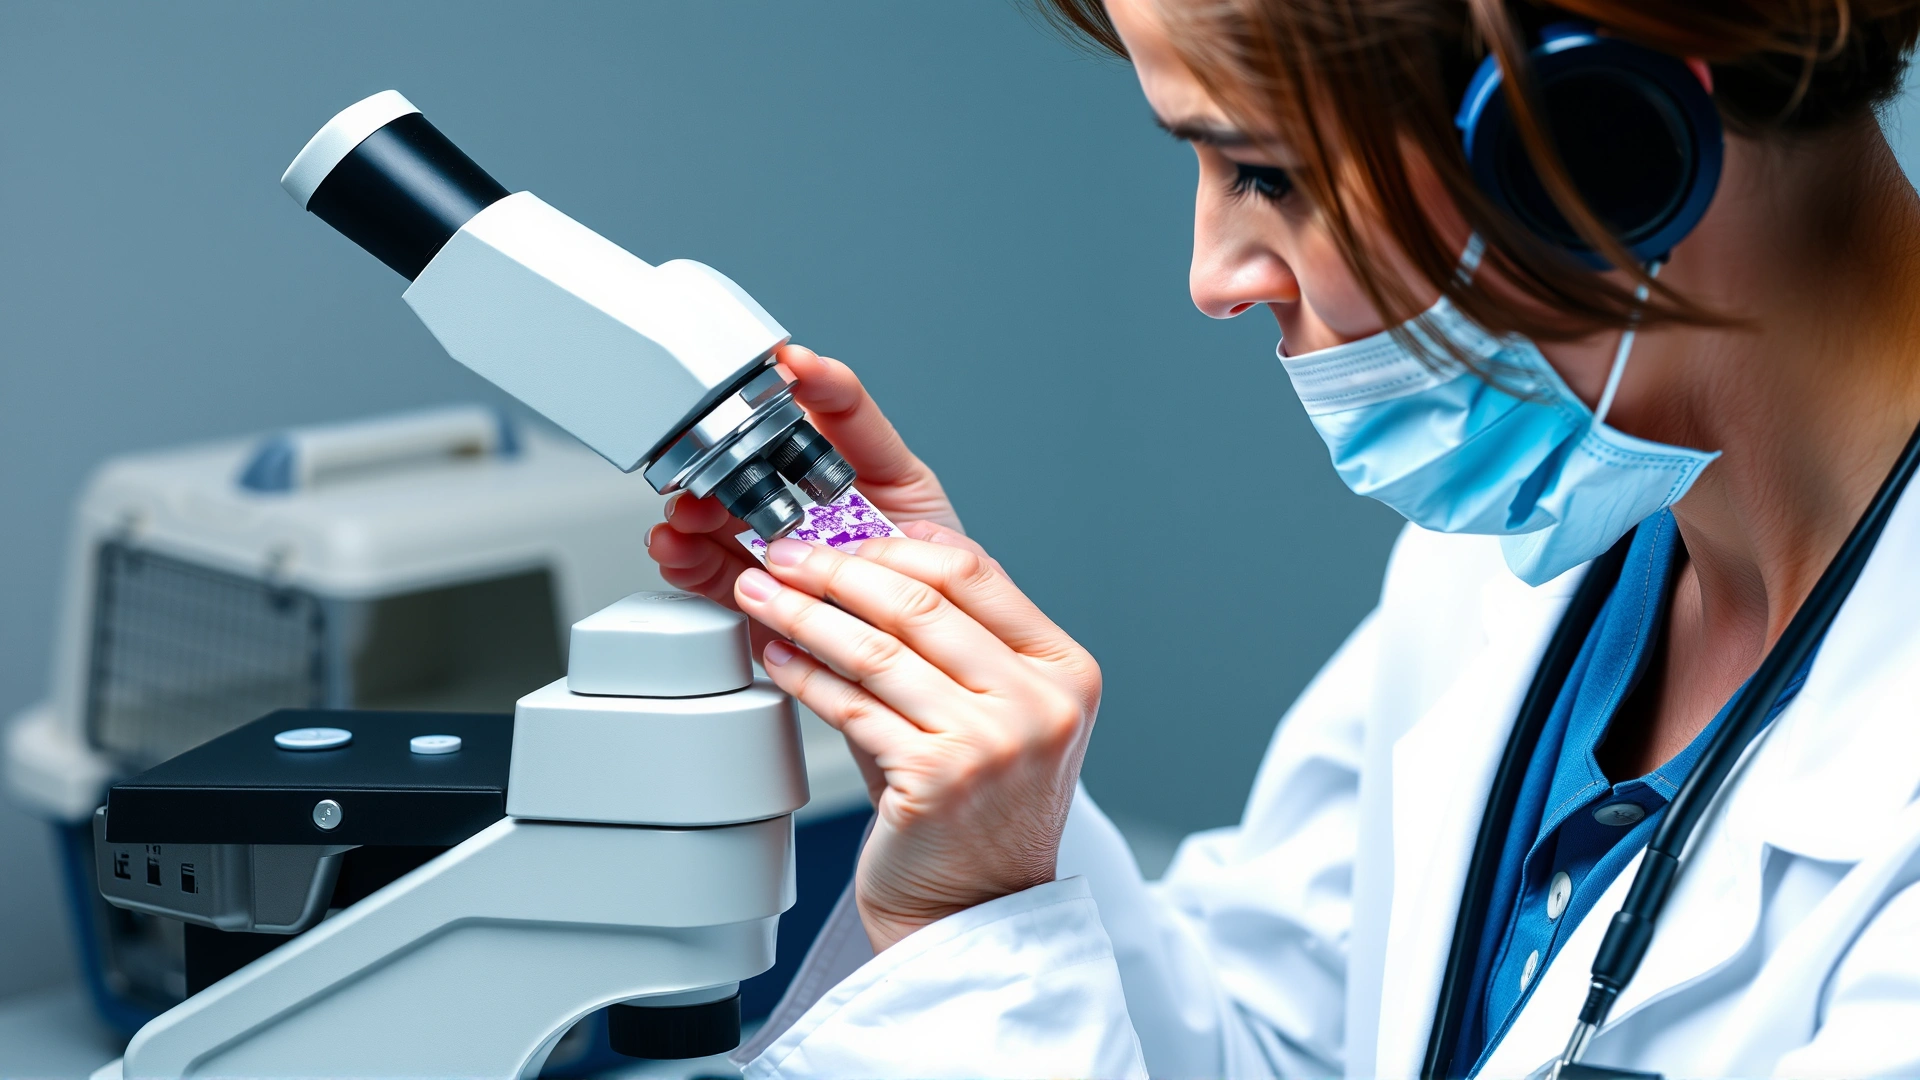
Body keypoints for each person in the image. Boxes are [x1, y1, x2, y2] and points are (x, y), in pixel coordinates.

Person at [646, 0, 1920, 1075]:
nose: (1212, 276)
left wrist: (975, 939)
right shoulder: (1527, 552)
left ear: (1605, 147)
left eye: (1264, 172)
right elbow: (1287, 1046)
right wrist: (992, 837)